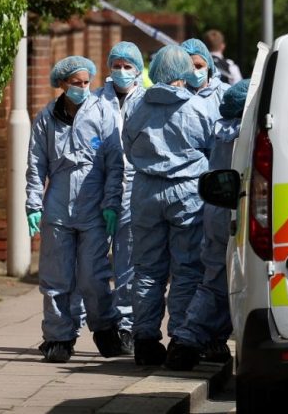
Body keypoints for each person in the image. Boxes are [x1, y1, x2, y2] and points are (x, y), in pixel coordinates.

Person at [26, 55, 124, 363]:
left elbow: (114, 163)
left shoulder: (103, 112)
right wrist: (33, 204)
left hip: (93, 205)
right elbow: (35, 164)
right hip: (58, 205)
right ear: (61, 84)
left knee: (93, 276)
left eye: (86, 83)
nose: (82, 88)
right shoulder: (47, 118)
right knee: (56, 278)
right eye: (75, 83)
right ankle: (58, 337)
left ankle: (105, 329)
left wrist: (110, 203)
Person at [123, 45, 215, 366]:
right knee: (187, 269)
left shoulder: (137, 108)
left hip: (146, 190)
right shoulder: (197, 109)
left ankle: (145, 340)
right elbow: (213, 149)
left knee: (147, 269)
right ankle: (181, 338)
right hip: (187, 192)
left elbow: (128, 145)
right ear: (183, 74)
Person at [165, 79, 249, 371]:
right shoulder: (244, 133)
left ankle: (198, 340)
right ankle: (190, 340)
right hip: (234, 214)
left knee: (216, 282)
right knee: (225, 284)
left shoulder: (223, 131)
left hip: (216, 212)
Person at [93, 41, 146, 355]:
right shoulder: (96, 100)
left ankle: (126, 326)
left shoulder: (145, 101)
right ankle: (103, 323)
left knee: (127, 263)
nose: (122, 72)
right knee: (93, 264)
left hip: (133, 187)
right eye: (117, 65)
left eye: (128, 66)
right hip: (97, 186)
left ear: (138, 69)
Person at [181, 38, 230, 109]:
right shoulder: (176, 96)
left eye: (199, 66)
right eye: (188, 67)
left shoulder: (224, 93)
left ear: (208, 65)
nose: (194, 71)